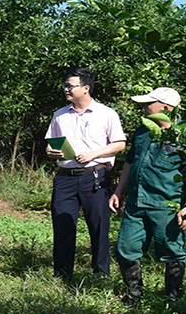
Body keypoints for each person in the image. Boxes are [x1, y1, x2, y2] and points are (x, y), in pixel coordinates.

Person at [109, 87, 186, 306]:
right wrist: (118, 192)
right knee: (126, 249)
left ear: (166, 108)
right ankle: (134, 296)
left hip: (166, 205)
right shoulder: (143, 130)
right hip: (135, 202)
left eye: (148, 104)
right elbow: (130, 163)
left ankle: (173, 299)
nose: (143, 107)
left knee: (172, 251)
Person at [45, 68, 126, 280]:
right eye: (65, 85)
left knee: (98, 225)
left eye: (70, 86)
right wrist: (51, 152)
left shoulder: (106, 113)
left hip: (95, 175)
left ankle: (100, 273)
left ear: (86, 88)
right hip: (64, 176)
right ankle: (62, 274)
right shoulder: (60, 115)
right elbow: (49, 144)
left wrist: (94, 154)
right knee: (62, 225)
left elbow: (119, 144)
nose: (66, 89)